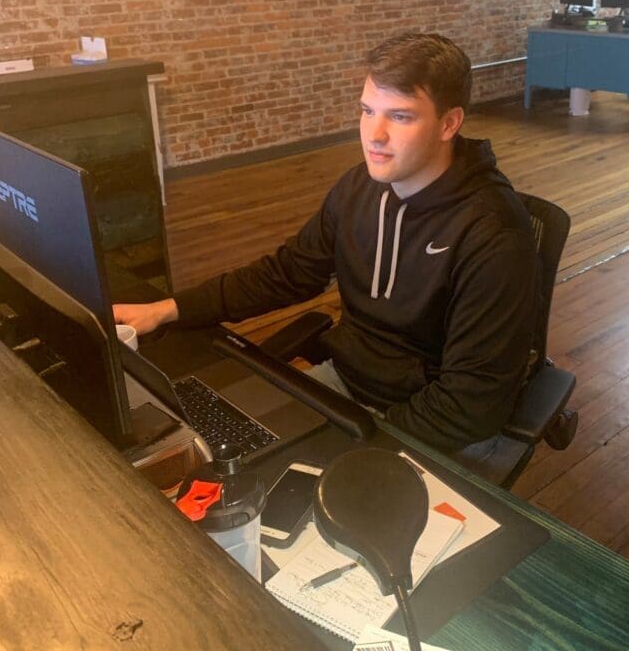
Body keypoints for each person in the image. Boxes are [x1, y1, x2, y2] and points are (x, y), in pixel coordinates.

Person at [114, 32, 540, 453]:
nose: (374, 134)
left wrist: (360, 448)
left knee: (275, 482)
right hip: (345, 390)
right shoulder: (358, 189)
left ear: (449, 123)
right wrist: (168, 309)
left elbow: (468, 403)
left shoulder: (493, 234)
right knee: (207, 446)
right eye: (367, 110)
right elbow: (288, 274)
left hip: (430, 424)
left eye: (401, 116)